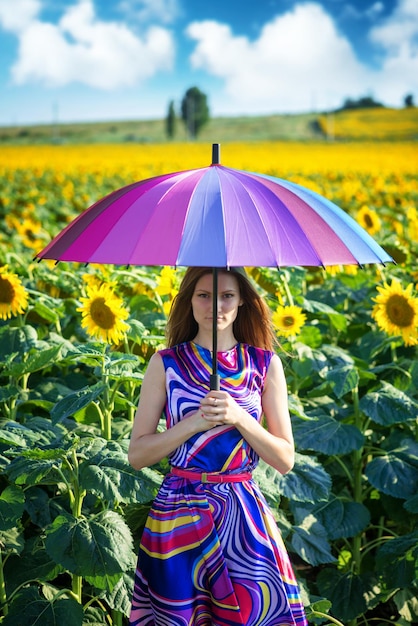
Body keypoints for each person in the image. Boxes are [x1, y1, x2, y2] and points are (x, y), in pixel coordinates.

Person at [128, 267, 307, 626]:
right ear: (189, 301)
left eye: (226, 295)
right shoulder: (164, 364)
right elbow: (137, 455)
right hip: (178, 514)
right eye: (204, 295)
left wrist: (239, 417)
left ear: (242, 301)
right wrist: (192, 424)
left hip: (242, 518)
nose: (215, 306)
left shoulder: (265, 364)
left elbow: (285, 459)